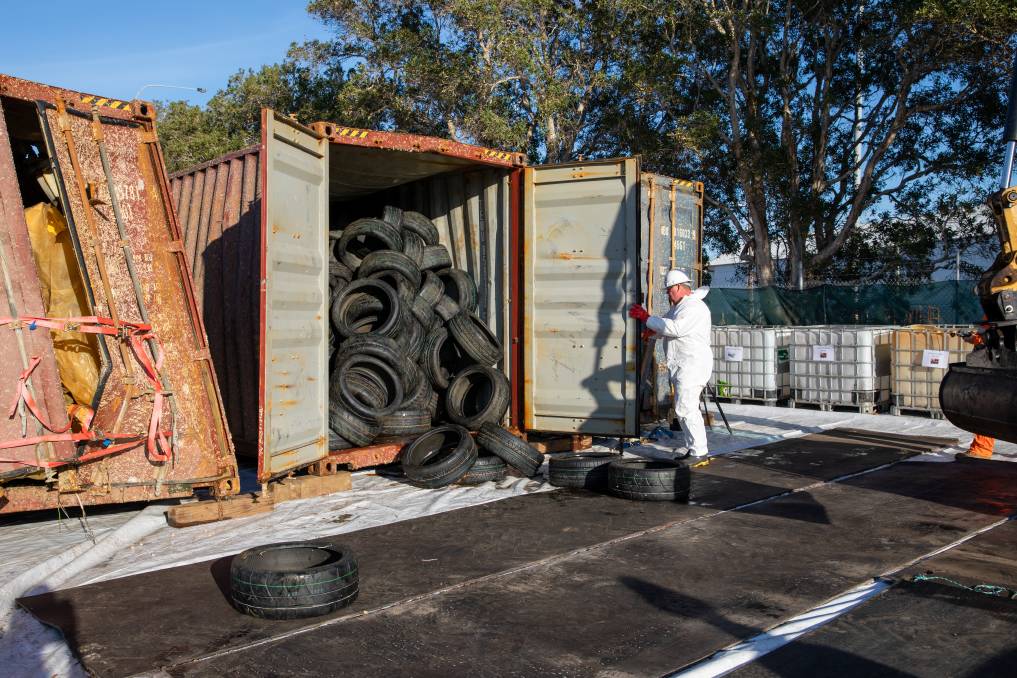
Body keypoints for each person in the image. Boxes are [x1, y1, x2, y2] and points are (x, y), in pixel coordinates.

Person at [628, 270, 712, 459]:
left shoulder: (694, 308)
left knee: (686, 408)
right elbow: (666, 326)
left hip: (692, 365)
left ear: (679, 287)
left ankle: (699, 451)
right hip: (683, 365)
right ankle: (695, 449)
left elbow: (675, 328)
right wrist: (653, 332)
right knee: (685, 408)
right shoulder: (679, 307)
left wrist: (646, 318)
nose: (668, 294)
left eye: (669, 290)